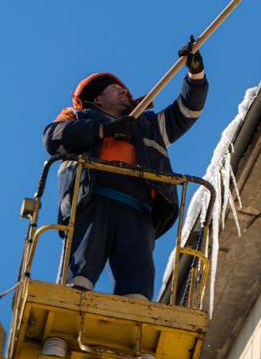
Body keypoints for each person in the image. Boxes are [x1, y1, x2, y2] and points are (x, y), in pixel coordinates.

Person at [41, 39, 208, 300]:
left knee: (137, 277)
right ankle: (72, 305)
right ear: (97, 99)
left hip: (137, 210)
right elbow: (52, 138)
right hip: (93, 201)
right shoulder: (76, 119)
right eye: (115, 89)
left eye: (124, 90)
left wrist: (195, 74)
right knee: (81, 266)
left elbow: (187, 111)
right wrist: (104, 130)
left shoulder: (148, 125)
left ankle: (136, 312)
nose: (124, 92)